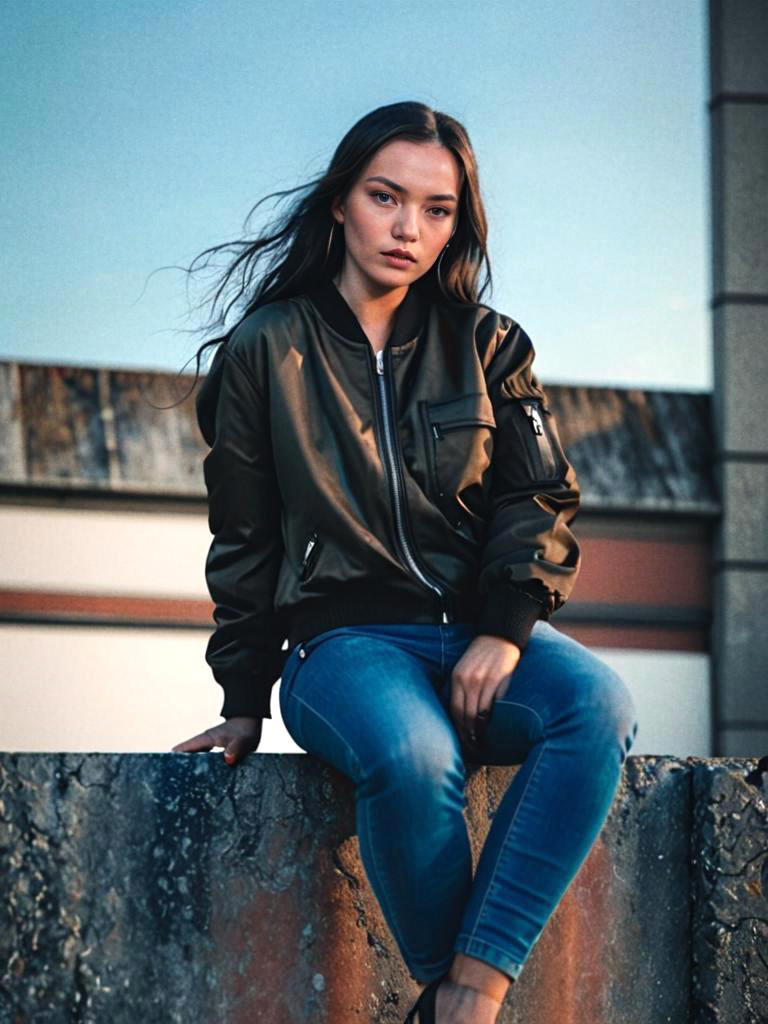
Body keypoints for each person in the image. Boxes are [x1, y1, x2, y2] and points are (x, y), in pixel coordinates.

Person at [171, 100, 639, 1024]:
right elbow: (245, 539)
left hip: (473, 632)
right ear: (342, 199)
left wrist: (507, 631)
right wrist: (240, 700)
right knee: (414, 754)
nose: (408, 228)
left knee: (597, 705)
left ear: (457, 223)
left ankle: (463, 997)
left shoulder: (490, 344)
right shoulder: (268, 349)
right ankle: (453, 991)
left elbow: (535, 497)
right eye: (387, 197)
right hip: (340, 649)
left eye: (437, 209)